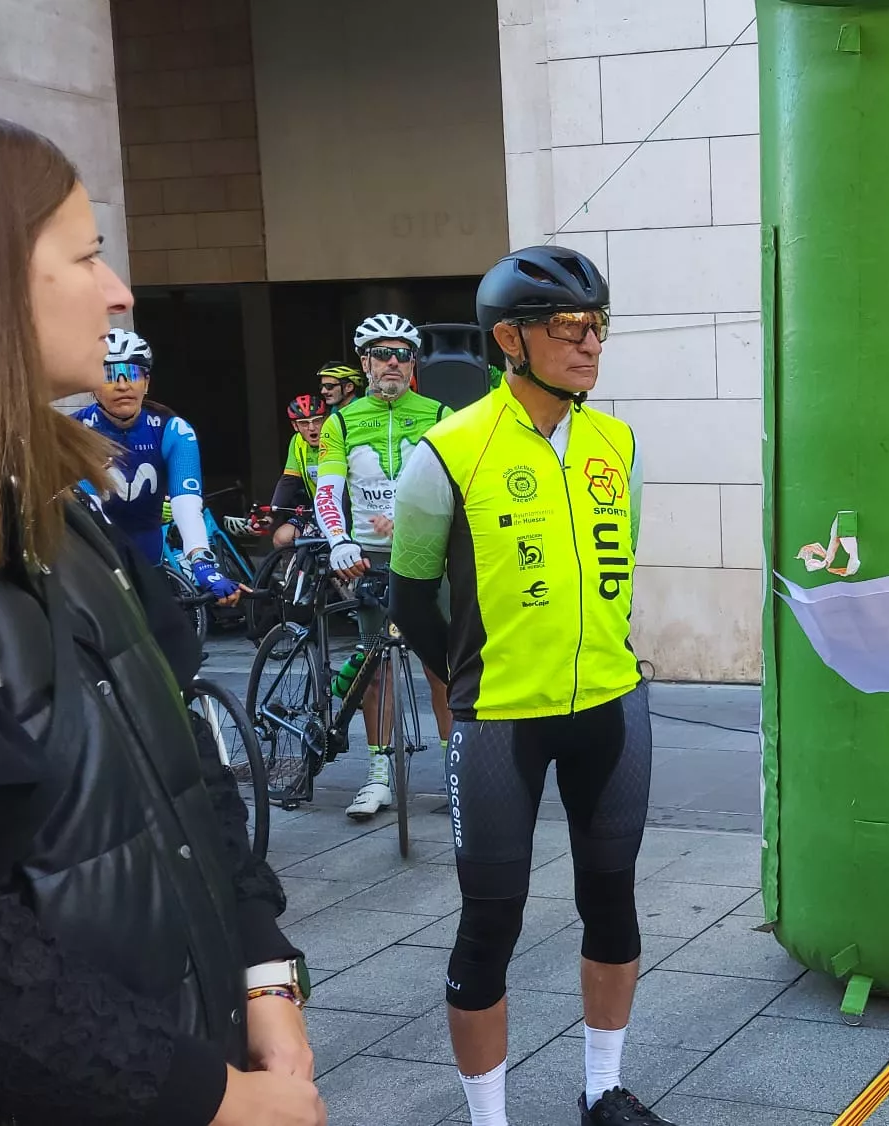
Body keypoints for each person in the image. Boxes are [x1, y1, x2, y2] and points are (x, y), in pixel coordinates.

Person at [0, 111, 324, 1126]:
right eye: (86, 255)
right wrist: (214, 1099)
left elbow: (190, 766)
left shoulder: (63, 512)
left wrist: (264, 970)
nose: (120, 290)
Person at [386, 246, 673, 1126]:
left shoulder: (614, 441)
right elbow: (410, 597)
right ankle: (489, 1119)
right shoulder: (448, 451)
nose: (590, 345)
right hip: (501, 721)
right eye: (569, 328)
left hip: (612, 709)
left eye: (598, 327)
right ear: (509, 338)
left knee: (612, 903)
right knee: (490, 928)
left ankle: (602, 1088)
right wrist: (470, 681)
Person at [313, 315, 455, 819]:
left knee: (443, 667)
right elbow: (327, 490)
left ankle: (454, 774)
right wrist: (340, 542)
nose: (391, 363)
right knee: (373, 672)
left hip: (427, 558)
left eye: (401, 354)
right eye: (380, 353)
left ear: (414, 363)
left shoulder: (439, 412)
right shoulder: (342, 422)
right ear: (365, 362)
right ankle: (378, 776)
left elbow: (459, 488)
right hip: (367, 561)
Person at [71, 328, 243, 607]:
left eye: (133, 374)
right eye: (110, 375)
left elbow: (186, 505)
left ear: (147, 382)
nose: (123, 385)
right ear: (92, 384)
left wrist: (202, 562)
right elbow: (78, 508)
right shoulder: (73, 431)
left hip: (148, 566)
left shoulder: (173, 429)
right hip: (90, 570)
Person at [265, 390, 329, 550]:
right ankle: (292, 576)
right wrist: (271, 515)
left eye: (317, 421)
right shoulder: (297, 441)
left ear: (326, 419)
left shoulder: (335, 437)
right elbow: (289, 480)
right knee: (282, 538)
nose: (312, 428)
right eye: (304, 423)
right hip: (316, 509)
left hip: (344, 510)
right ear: (295, 426)